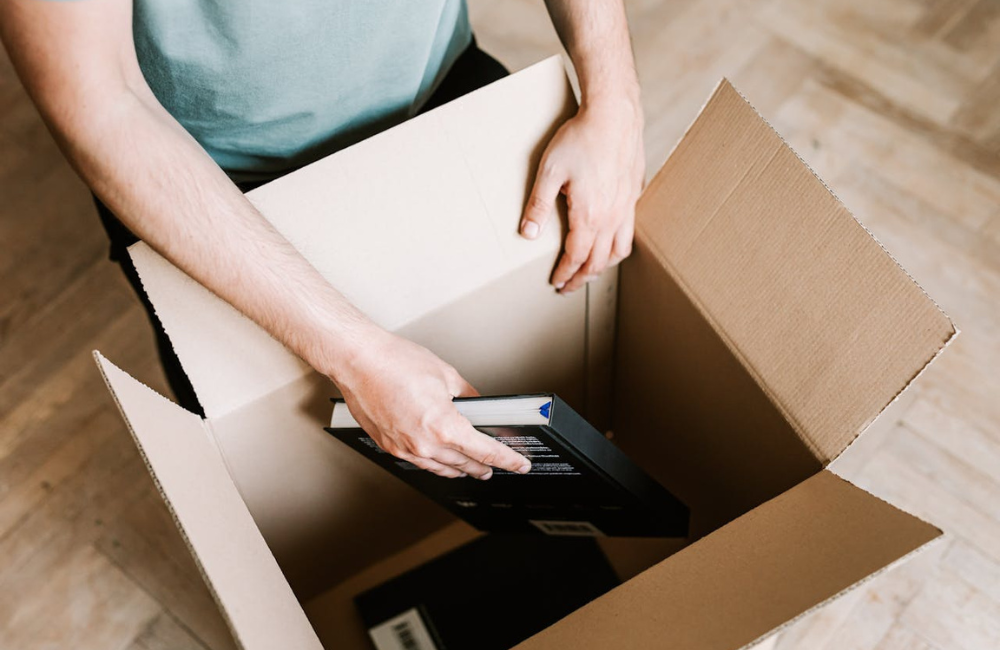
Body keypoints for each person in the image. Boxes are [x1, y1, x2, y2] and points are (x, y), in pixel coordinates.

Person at [0, 0, 644, 482]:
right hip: (209, 187)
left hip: (441, 88)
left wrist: (614, 94)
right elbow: (100, 101)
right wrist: (357, 356)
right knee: (267, 462)